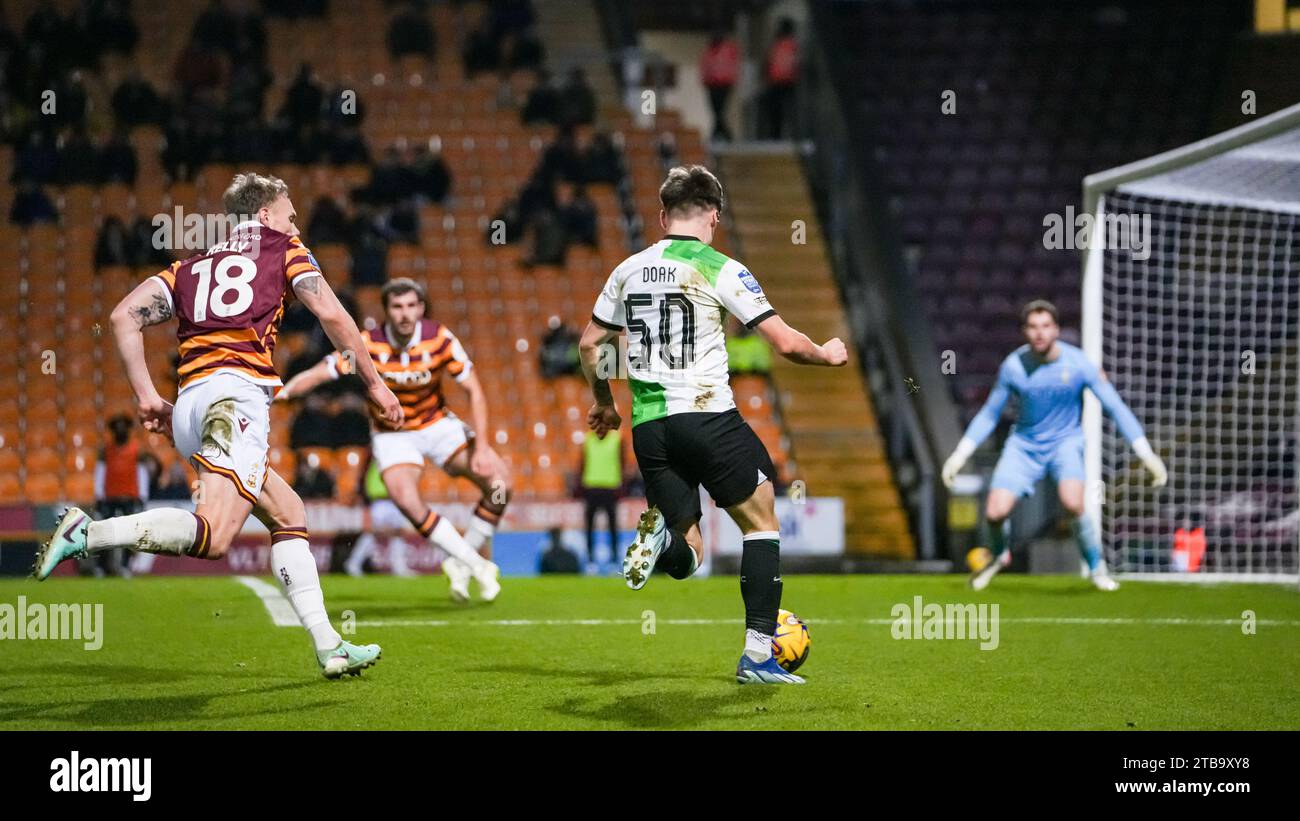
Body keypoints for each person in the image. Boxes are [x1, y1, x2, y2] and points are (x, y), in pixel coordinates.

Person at [34, 172, 404, 680]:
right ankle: (90, 532)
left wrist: (147, 396)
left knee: (289, 513)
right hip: (235, 401)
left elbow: (123, 316)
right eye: (289, 214)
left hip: (191, 404)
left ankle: (330, 646)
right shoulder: (283, 247)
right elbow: (334, 315)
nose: (295, 223)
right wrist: (375, 384)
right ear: (266, 215)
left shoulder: (189, 266)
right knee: (214, 537)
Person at [579, 165, 847, 684]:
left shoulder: (627, 269)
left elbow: (591, 343)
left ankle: (661, 543)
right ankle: (756, 657)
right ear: (714, 216)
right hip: (706, 415)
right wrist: (827, 354)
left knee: (691, 553)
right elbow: (787, 344)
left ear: (662, 216)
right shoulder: (719, 267)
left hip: (651, 428)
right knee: (762, 521)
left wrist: (605, 403)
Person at [278, 278, 508, 603]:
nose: (405, 314)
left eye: (412, 306)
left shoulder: (439, 338)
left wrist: (482, 447)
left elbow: (474, 389)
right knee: (405, 499)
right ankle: (476, 564)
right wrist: (282, 393)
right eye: (397, 307)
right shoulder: (366, 344)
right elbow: (319, 373)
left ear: (422, 308)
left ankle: (462, 562)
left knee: (500, 485)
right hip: (393, 434)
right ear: (386, 311)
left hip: (437, 423)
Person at [940, 299, 1169, 592]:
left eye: (1046, 326)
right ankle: (998, 558)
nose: (1040, 333)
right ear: (1025, 331)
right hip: (1024, 444)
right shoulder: (1013, 367)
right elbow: (989, 413)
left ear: (1056, 329)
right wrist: (960, 455)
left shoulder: (1079, 365)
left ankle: (1097, 568)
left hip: (1065, 442)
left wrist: (1146, 453)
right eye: (1033, 327)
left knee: (1073, 503)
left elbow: (1115, 406)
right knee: (995, 513)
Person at [84, 414, 150, 578]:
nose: (120, 430)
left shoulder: (137, 449)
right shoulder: (105, 450)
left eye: (123, 426)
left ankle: (125, 566)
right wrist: (98, 495)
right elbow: (100, 473)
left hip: (130, 497)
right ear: (113, 430)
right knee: (104, 533)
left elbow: (142, 474)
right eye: (117, 427)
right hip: (109, 497)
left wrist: (142, 496)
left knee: (129, 534)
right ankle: (101, 567)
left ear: (128, 429)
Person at [346, 460, 416, 577]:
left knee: (398, 534)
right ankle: (353, 563)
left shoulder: (395, 461)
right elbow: (367, 481)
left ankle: (400, 567)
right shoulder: (376, 460)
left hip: (394, 500)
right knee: (372, 533)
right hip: (379, 501)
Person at [578, 428, 623, 573]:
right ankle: (591, 560)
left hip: (611, 486)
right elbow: (583, 462)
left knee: (613, 526)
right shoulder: (588, 439)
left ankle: (614, 560)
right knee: (589, 526)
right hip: (591, 486)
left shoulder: (617, 439)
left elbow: (622, 461)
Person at [760, 18, 799, 140]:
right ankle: (776, 135)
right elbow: (768, 62)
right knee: (776, 112)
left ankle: (789, 135)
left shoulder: (792, 45)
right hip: (776, 82)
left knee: (787, 111)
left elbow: (796, 63)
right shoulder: (778, 45)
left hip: (787, 82)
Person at [699, 29, 740, 142]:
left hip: (724, 84)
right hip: (712, 85)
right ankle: (721, 134)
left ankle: (721, 135)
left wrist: (733, 80)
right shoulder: (709, 51)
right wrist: (704, 81)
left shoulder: (729, 49)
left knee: (720, 111)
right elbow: (704, 67)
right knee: (716, 111)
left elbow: (733, 66)